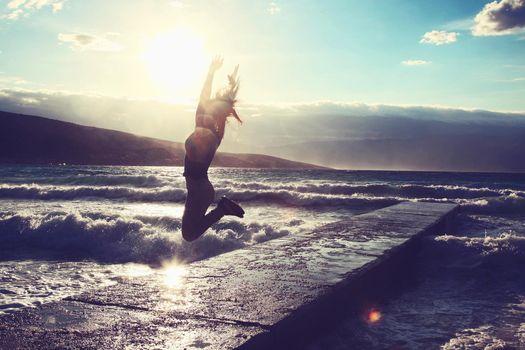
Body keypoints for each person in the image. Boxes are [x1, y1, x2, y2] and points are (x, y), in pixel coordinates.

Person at [181, 56, 245, 242]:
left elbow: (204, 98)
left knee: (189, 234)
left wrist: (211, 73)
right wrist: (211, 73)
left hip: (200, 189)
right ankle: (223, 209)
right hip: (197, 188)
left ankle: (223, 210)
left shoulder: (208, 132)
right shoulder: (209, 129)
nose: (207, 108)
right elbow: (204, 97)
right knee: (189, 233)